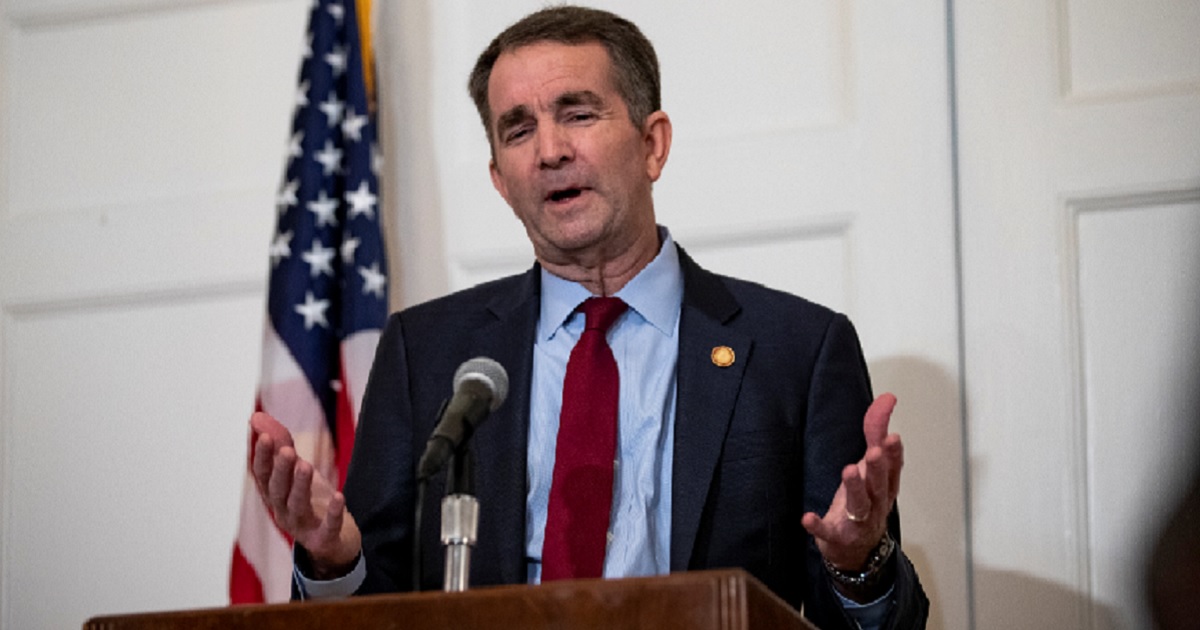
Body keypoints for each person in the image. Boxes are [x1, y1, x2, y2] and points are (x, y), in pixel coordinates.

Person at [250, 6, 928, 629]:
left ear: (652, 144)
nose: (549, 150)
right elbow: (376, 615)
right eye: (518, 128)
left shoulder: (797, 352)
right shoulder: (424, 356)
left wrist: (856, 564)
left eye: (577, 114)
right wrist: (335, 562)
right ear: (500, 178)